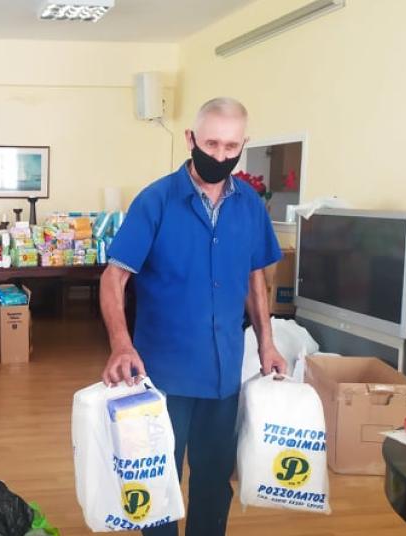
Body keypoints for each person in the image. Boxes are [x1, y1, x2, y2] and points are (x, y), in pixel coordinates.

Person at [100, 97, 286, 536]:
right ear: (190, 139)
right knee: (159, 479)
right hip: (164, 372)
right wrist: (121, 345)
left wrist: (267, 343)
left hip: (224, 374)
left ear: (243, 145)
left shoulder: (250, 205)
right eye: (211, 144)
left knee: (214, 480)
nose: (220, 155)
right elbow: (113, 278)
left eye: (230, 147)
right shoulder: (156, 201)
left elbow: (255, 278)